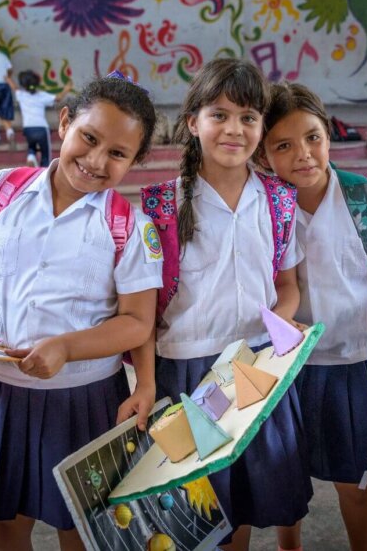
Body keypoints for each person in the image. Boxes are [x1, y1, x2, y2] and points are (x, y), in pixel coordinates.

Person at [0, 72, 162, 551]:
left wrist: (67, 346)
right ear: (64, 124)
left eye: (117, 154)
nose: (96, 161)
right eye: (89, 138)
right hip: (1, 389)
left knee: (81, 528)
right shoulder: (6, 189)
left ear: (135, 162)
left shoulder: (128, 226)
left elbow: (137, 322)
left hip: (84, 400)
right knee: (3, 524)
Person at [141, 59, 312, 551]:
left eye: (249, 117)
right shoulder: (160, 207)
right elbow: (143, 311)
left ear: (261, 127)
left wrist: (277, 332)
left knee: (245, 501)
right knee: (197, 510)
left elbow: (288, 285)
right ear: (193, 122)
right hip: (186, 373)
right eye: (219, 114)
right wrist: (149, 382)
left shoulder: (279, 201)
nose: (234, 129)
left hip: (256, 371)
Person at [259, 82, 367, 551]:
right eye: (284, 146)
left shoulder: (365, 200)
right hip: (286, 372)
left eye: (313, 137)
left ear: (329, 134)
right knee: (284, 483)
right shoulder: (266, 209)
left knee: (357, 484)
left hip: (357, 366)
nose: (304, 155)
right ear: (264, 155)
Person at [7, 70, 73, 167]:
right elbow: (58, 98)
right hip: (42, 129)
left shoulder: (21, 95)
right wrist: (67, 89)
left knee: (31, 147)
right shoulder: (42, 95)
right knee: (46, 154)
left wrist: (8, 78)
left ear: (24, 85)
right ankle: (44, 173)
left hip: (28, 129)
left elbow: (14, 87)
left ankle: (31, 157)